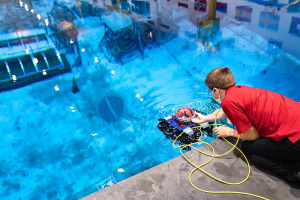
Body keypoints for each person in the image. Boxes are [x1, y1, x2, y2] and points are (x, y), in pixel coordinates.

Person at [192, 67, 300, 183]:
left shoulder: (229, 102)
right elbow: (230, 110)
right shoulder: (242, 90)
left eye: (210, 91)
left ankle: (293, 175)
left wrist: (228, 131)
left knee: (248, 149)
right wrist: (205, 118)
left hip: (295, 141)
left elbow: (253, 135)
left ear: (216, 90)